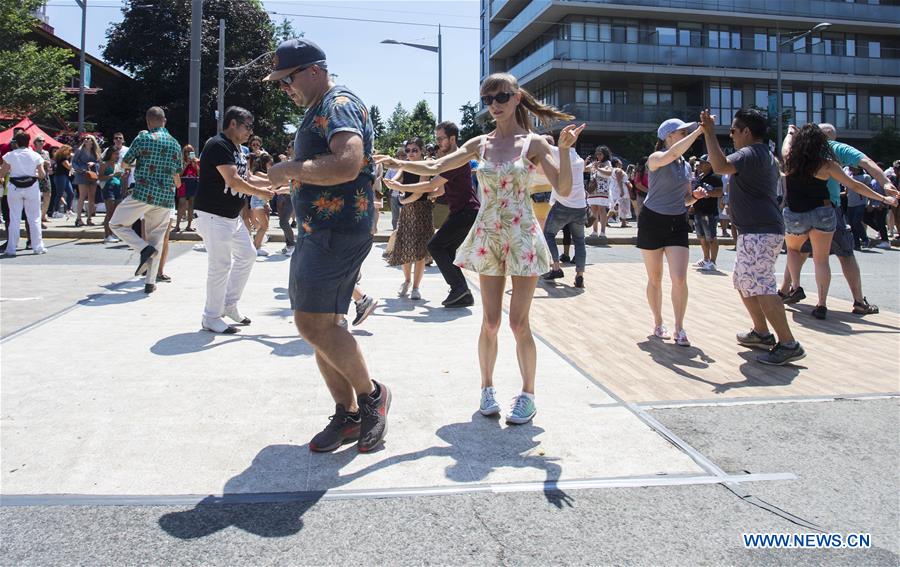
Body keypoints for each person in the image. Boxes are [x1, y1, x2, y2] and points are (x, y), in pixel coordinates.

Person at [376, 72, 583, 425]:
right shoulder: (480, 143)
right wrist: (399, 163)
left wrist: (562, 151)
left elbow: (563, 187)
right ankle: (487, 389)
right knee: (489, 322)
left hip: (521, 237)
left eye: (500, 97)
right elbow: (435, 165)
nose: (493, 106)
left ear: (517, 97)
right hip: (488, 235)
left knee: (518, 323)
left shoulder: (534, 143)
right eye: (487, 100)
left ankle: (528, 394)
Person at [264, 38, 388, 453]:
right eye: (280, 84)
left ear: (314, 70)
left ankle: (372, 399)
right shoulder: (320, 108)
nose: (286, 89)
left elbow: (349, 162)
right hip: (321, 231)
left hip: (338, 232)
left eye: (288, 80)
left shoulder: (339, 104)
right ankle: (348, 414)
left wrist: (288, 169)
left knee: (314, 325)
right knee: (321, 327)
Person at [700, 109, 805, 365]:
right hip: (754, 231)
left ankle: (788, 343)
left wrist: (710, 134)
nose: (731, 136)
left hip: (760, 231)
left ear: (747, 131)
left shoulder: (750, 153)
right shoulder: (761, 154)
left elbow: (720, 166)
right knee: (744, 282)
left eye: (734, 131)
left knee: (762, 286)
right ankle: (761, 333)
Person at [779, 123, 896, 319]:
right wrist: (884, 198)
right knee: (821, 259)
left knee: (793, 250)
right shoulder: (826, 164)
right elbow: (855, 185)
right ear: (822, 142)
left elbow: (785, 145)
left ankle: (795, 287)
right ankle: (822, 304)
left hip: (796, 214)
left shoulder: (790, 159)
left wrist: (791, 132)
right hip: (824, 212)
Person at [193, 106, 275, 333]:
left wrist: (269, 186)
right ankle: (210, 316)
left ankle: (228, 305)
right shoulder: (218, 145)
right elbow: (232, 181)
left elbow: (245, 177)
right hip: (212, 215)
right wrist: (260, 193)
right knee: (220, 265)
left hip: (230, 216)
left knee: (248, 255)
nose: (250, 131)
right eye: (247, 126)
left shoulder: (238, 148)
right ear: (233, 124)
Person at [640, 117, 705, 347]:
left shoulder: (685, 166)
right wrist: (698, 132)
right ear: (668, 137)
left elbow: (685, 199)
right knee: (655, 278)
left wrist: (694, 197)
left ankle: (679, 327)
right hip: (652, 220)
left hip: (677, 221)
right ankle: (658, 322)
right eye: (681, 132)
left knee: (679, 277)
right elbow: (672, 154)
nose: (686, 133)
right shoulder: (656, 158)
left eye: (687, 131)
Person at [109, 107, 183, 294]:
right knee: (156, 237)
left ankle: (142, 248)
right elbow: (178, 170)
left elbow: (126, 162)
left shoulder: (143, 138)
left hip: (144, 192)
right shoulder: (175, 143)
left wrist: (135, 164)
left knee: (116, 224)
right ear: (164, 120)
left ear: (148, 122)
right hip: (166, 195)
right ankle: (150, 282)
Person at [384, 137, 433, 300]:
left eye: (414, 150)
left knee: (419, 252)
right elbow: (397, 176)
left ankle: (416, 287)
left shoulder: (425, 166)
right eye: (408, 150)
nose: (410, 153)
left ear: (421, 151)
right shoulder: (405, 165)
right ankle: (406, 281)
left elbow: (419, 192)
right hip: (407, 210)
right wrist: (391, 182)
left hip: (422, 210)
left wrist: (402, 200)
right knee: (405, 247)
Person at [541, 133, 587, 288]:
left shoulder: (559, 153)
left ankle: (555, 267)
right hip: (580, 206)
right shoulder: (579, 159)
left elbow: (542, 145)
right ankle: (579, 275)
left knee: (548, 234)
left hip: (562, 204)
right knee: (580, 241)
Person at [0, 131, 47, 256]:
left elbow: (2, 173)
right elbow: (42, 175)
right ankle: (38, 246)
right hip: (31, 187)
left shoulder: (10, 155)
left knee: (14, 218)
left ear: (16, 142)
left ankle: (11, 248)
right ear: (28, 142)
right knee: (34, 218)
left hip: (14, 187)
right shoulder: (36, 156)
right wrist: (33, 174)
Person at [691, 154, 724, 271]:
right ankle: (706, 259)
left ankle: (713, 262)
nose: (699, 164)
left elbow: (720, 193)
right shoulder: (699, 177)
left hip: (709, 212)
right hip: (699, 211)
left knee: (711, 237)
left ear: (709, 165)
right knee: (701, 237)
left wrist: (708, 194)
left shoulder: (715, 177)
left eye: (702, 162)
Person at [72, 135, 101, 227]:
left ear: (92, 141)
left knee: (91, 197)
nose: (86, 140)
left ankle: (89, 218)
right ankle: (78, 218)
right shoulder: (80, 151)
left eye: (88, 139)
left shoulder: (95, 152)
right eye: (85, 139)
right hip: (82, 174)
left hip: (92, 175)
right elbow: (73, 162)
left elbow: (100, 162)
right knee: (82, 196)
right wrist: (79, 169)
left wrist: (94, 163)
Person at [249, 152, 274, 256]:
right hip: (257, 201)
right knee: (264, 226)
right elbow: (269, 180)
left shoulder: (260, 172)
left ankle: (256, 246)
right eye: (270, 163)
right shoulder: (258, 173)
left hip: (261, 201)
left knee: (262, 226)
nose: (272, 165)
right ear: (265, 163)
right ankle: (256, 248)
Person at [98, 146, 124, 243]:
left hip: (117, 188)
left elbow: (120, 178)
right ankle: (107, 235)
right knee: (109, 212)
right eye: (115, 154)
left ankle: (113, 234)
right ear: (110, 154)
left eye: (118, 154)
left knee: (116, 213)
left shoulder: (118, 164)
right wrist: (112, 175)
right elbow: (100, 177)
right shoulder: (104, 164)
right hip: (108, 188)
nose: (117, 156)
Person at [585, 145, 612, 239]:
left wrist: (598, 168)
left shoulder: (607, 163)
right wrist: (585, 163)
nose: (598, 156)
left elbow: (609, 173)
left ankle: (603, 232)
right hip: (593, 189)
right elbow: (584, 169)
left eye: (600, 154)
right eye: (597, 154)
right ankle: (594, 231)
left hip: (602, 189)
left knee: (601, 209)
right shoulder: (594, 163)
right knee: (593, 209)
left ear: (605, 154)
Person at [175, 145, 199, 233]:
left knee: (191, 204)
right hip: (183, 182)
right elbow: (179, 174)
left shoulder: (196, 161)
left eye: (190, 151)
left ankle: (189, 225)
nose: (188, 154)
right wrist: (186, 165)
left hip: (193, 182)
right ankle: (177, 225)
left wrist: (194, 164)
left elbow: (199, 173)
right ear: (184, 152)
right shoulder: (181, 161)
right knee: (182, 204)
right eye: (186, 152)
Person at [49, 144, 75, 218]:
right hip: (60, 177)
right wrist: (73, 159)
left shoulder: (64, 158)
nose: (70, 152)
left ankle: (68, 210)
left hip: (65, 177)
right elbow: (69, 167)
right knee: (59, 194)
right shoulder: (63, 159)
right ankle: (55, 211)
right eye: (69, 151)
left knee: (71, 193)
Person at [33, 136, 52, 227]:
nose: (42, 142)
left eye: (43, 141)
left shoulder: (46, 152)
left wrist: (47, 163)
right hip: (35, 176)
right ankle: (38, 216)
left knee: (47, 195)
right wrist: (43, 162)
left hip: (45, 175)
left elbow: (49, 163)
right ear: (35, 142)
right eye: (39, 141)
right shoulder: (32, 152)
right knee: (37, 197)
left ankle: (43, 215)